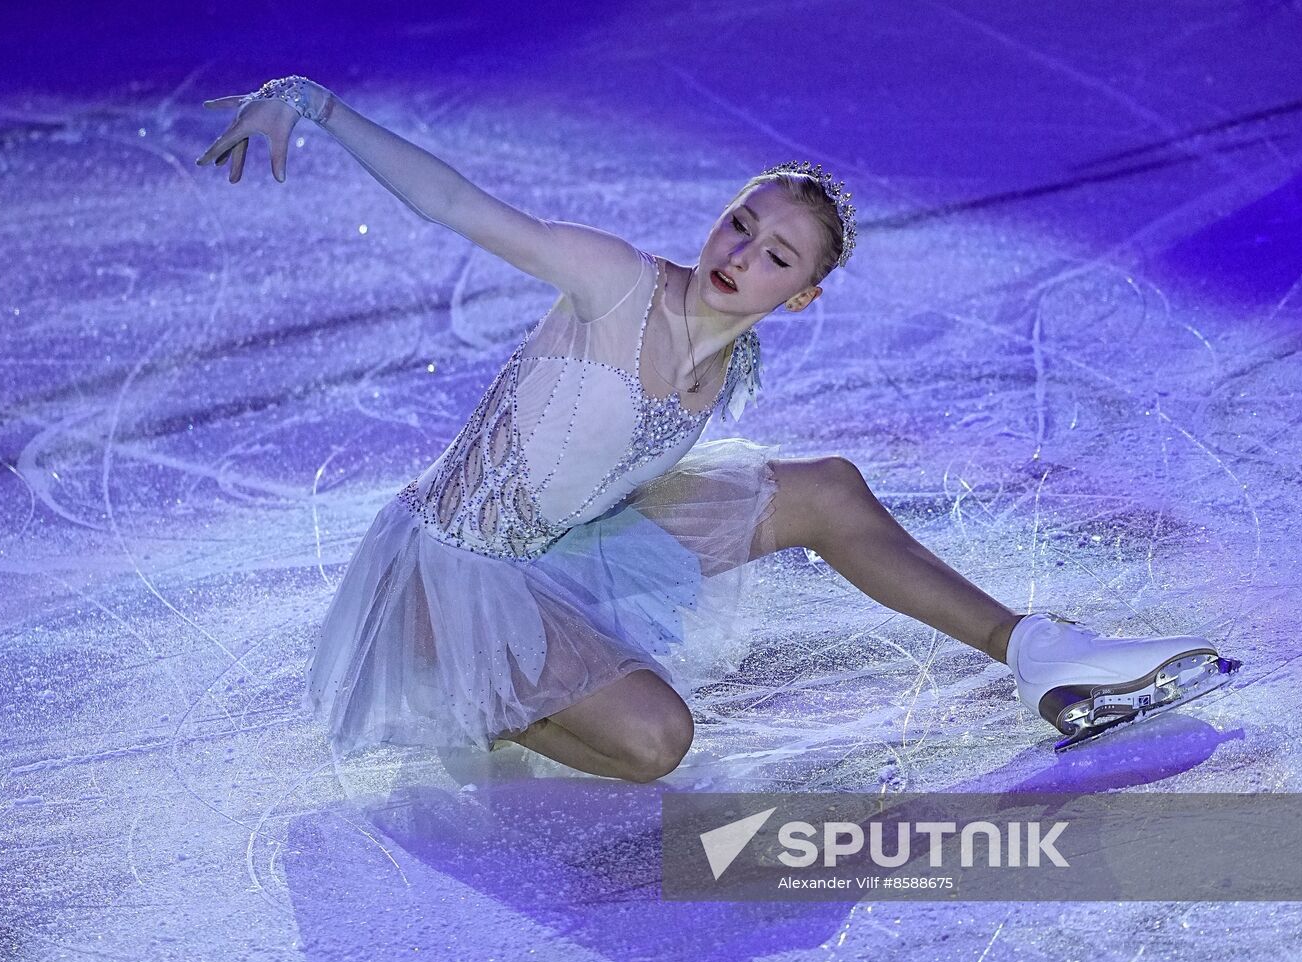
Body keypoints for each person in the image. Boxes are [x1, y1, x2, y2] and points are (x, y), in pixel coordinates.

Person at [195, 76, 1242, 780]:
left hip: (571, 546)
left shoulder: (733, 361)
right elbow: (461, 206)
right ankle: (463, 683)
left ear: (799, 296)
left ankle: (1033, 649)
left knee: (824, 488)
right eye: (742, 221)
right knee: (657, 742)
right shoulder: (613, 285)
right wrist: (316, 105)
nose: (739, 251)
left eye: (776, 255)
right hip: (453, 574)